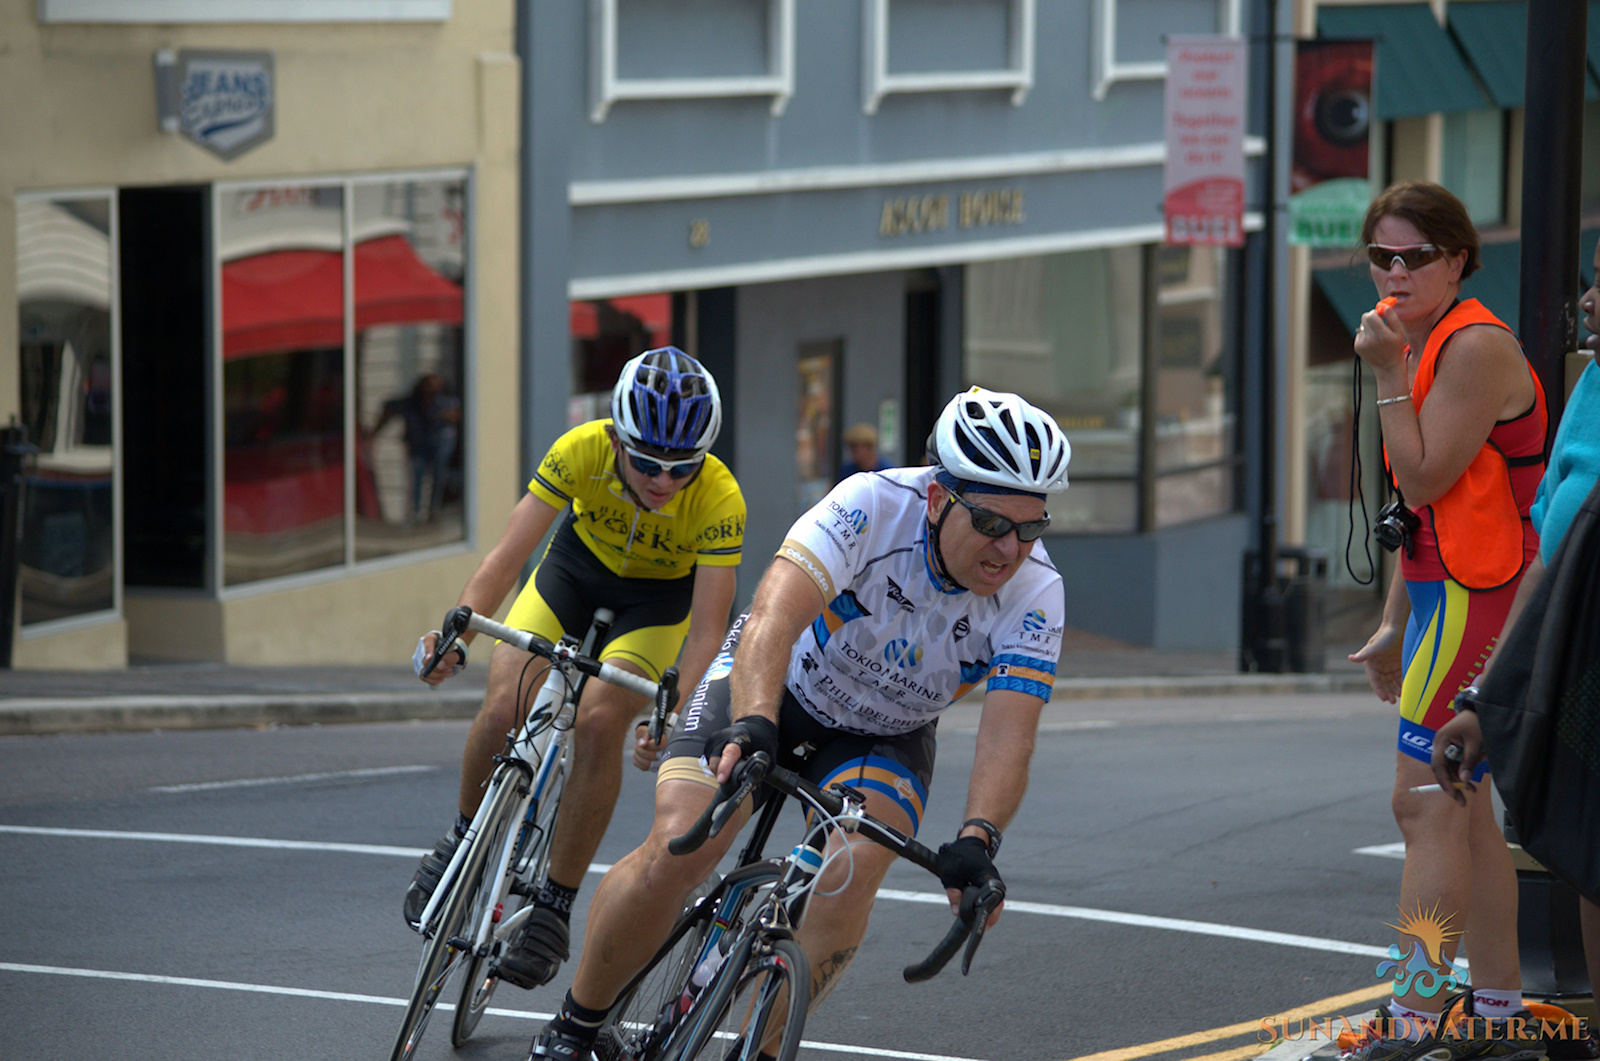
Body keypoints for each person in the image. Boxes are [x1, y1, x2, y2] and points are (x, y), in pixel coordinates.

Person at [527, 387, 1072, 1060]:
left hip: (883, 734)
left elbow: (1009, 731)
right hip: (773, 685)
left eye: (1031, 528)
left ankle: (757, 1049)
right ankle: (574, 1028)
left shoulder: (1037, 593)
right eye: (992, 523)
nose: (1010, 548)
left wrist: (978, 836)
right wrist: (755, 719)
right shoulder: (869, 506)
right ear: (938, 500)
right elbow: (773, 617)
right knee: (681, 844)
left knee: (853, 871)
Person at [405, 347, 745, 991]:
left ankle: (554, 905)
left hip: (656, 603)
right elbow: (510, 554)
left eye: (682, 467)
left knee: (598, 719)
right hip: (573, 573)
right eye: (646, 462)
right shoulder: (581, 449)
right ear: (616, 438)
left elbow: (706, 628)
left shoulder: (721, 498)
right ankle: (459, 842)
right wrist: (458, 629)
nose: (664, 481)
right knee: (505, 699)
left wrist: (676, 715)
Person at [1344, 181, 1548, 1061]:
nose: (1396, 272)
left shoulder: (1472, 347)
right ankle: (1496, 1016)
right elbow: (1422, 511)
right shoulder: (1429, 342)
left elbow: (1422, 478)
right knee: (1463, 809)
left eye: (1415, 256)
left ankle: (1418, 1014)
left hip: (1485, 594)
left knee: (1423, 801)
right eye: (1381, 256)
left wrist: (1387, 372)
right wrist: (1396, 618)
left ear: (1459, 258)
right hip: (1447, 591)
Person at [1430, 249, 1600, 1012]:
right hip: (1584, 676)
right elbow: (1544, 556)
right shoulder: (1591, 388)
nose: (1591, 300)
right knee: (1591, 864)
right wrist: (1484, 698)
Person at [372, 372, 462, 522]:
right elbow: (389, 409)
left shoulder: (445, 402)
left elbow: (457, 415)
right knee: (417, 478)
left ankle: (434, 511)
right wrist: (374, 434)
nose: (430, 388)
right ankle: (416, 513)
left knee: (438, 477)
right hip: (418, 445)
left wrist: (443, 415)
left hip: (440, 443)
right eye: (427, 385)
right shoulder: (411, 403)